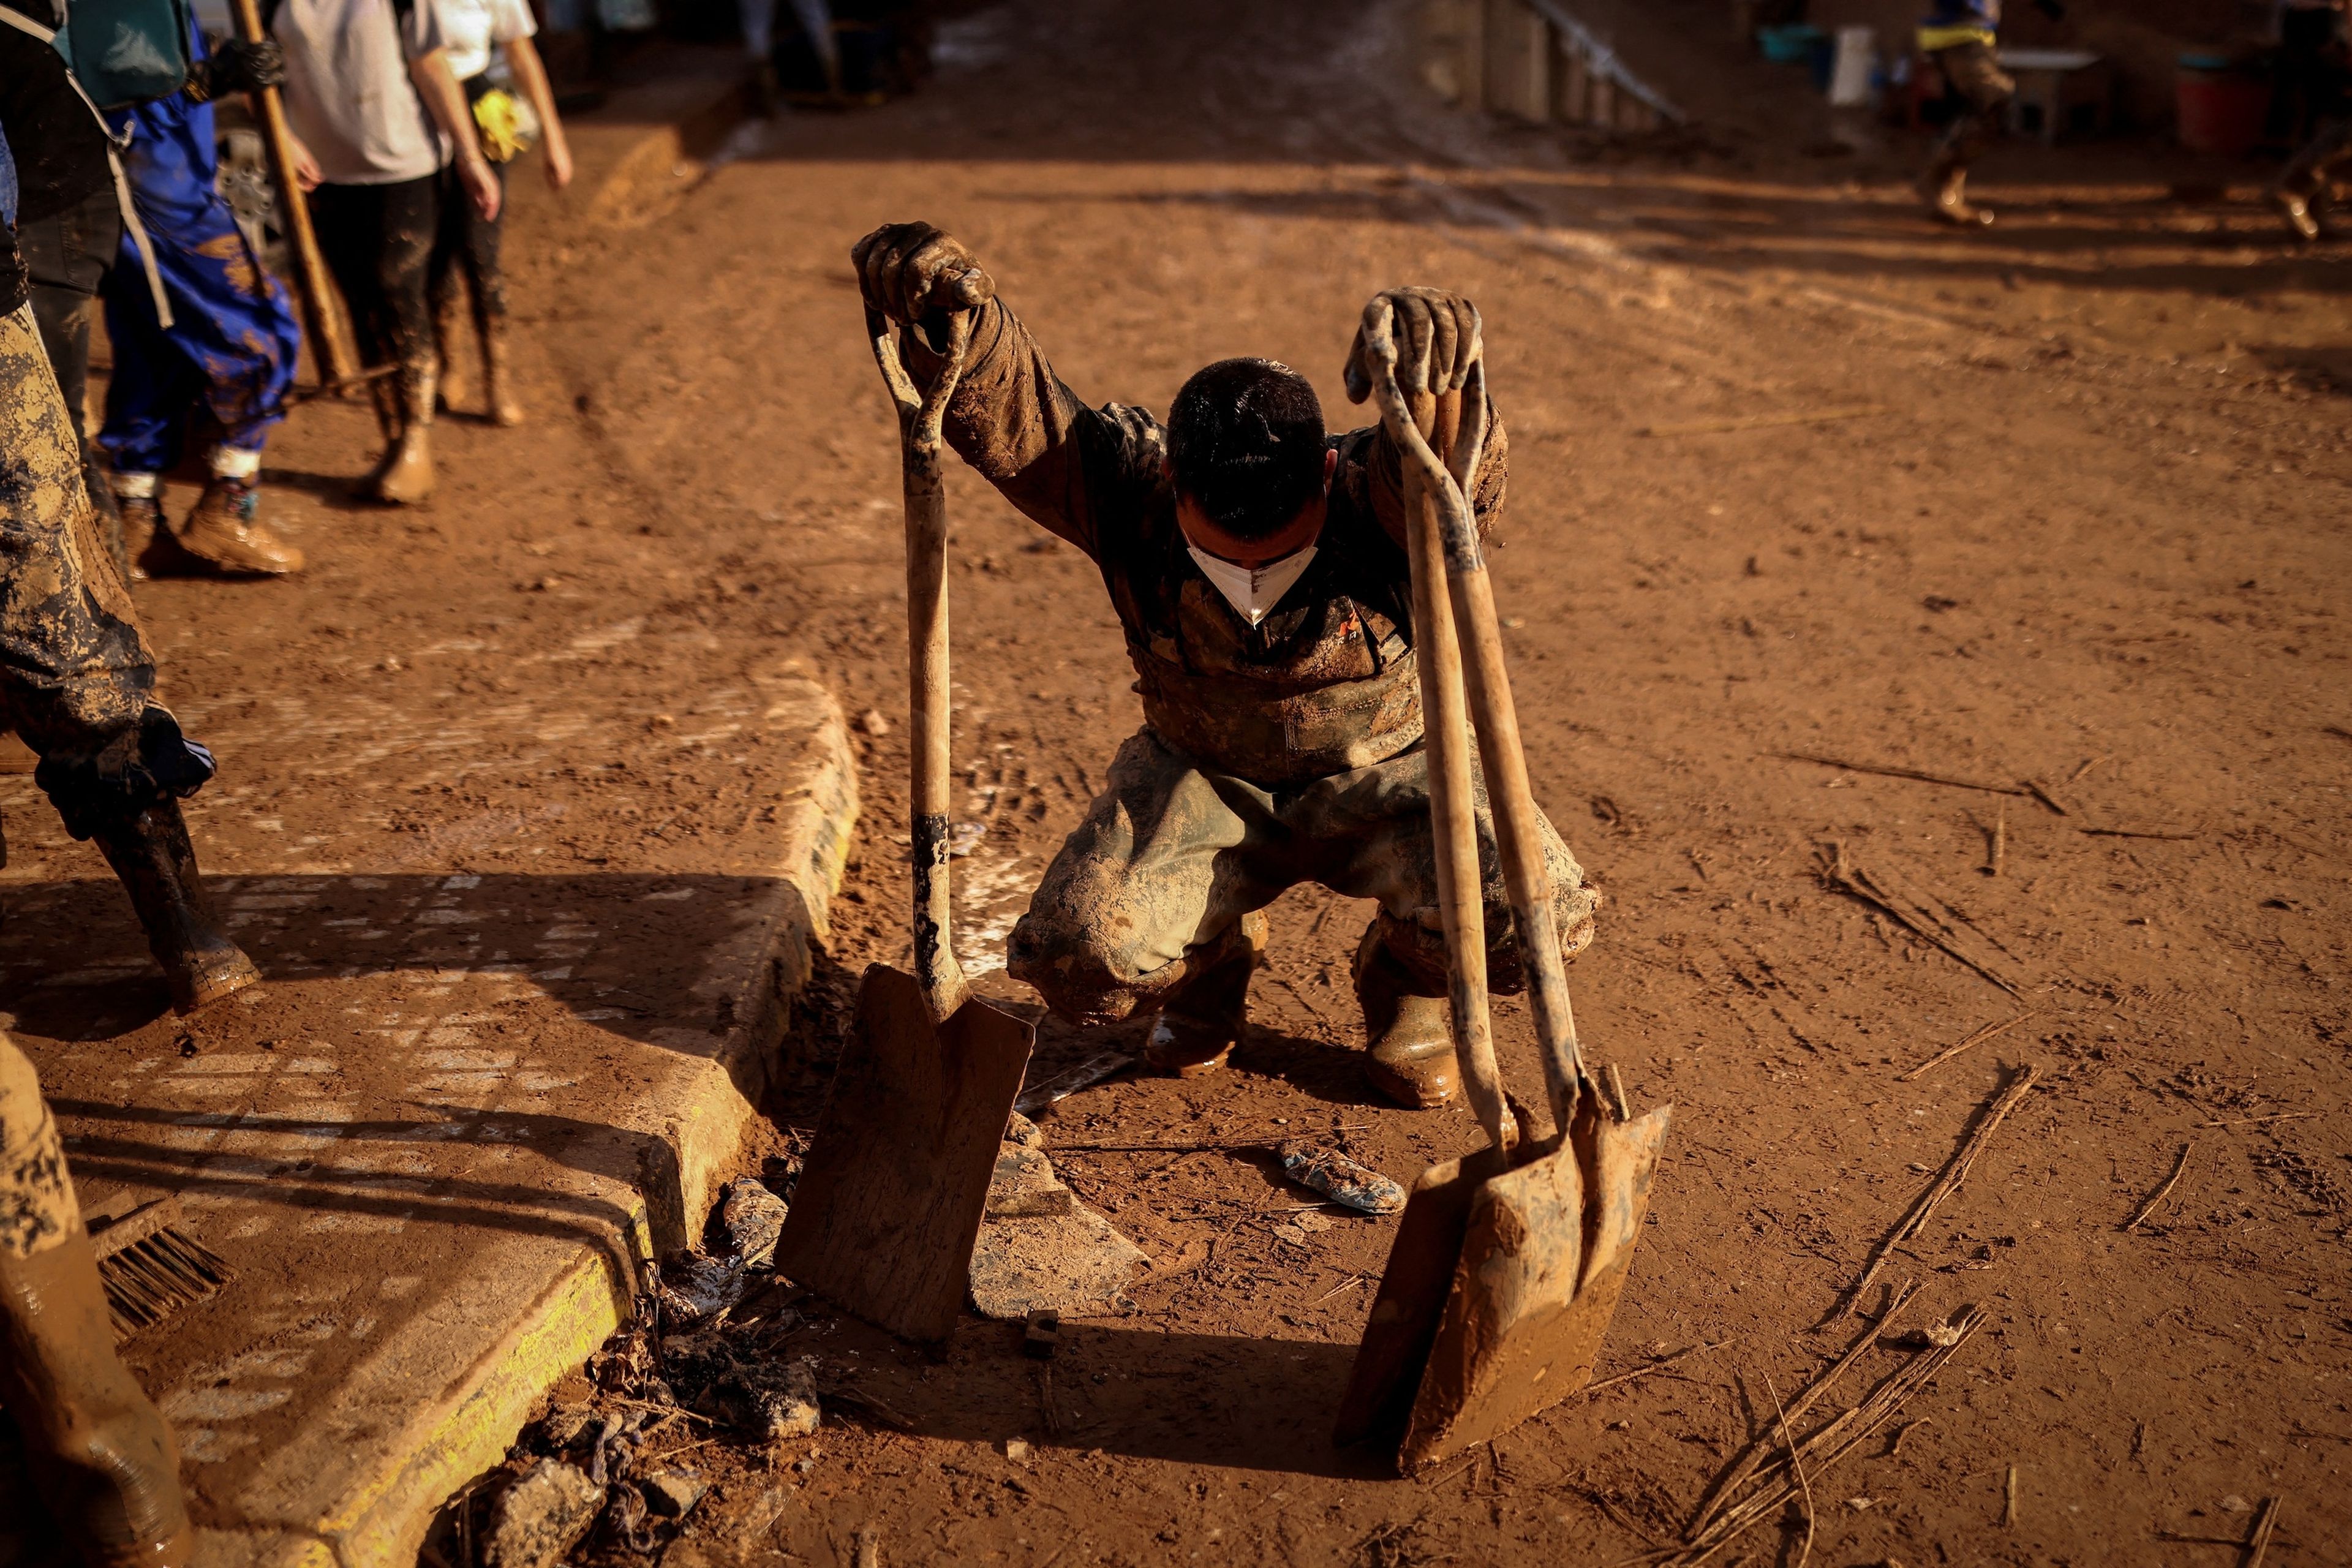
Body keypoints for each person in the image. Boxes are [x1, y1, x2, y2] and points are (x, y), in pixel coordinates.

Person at [850, 222, 1597, 1109]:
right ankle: (1211, 965)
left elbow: (1457, 469)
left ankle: (1410, 986)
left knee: (1534, 915)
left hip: (1394, 778)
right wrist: (954, 329)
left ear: (1328, 473)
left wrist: (1441, 389)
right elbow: (1026, 421)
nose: (1248, 569)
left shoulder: (1392, 493)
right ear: (1175, 482)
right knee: (1077, 953)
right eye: (1221, 545)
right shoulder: (1132, 492)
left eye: (1276, 547)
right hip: (1203, 785)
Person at [98, 16, 308, 578]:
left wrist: (225, 78)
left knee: (155, 350)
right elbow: (114, 91)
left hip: (164, 184)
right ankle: (227, 506)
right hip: (152, 194)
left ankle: (137, 519)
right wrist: (204, 82)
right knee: (264, 331)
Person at [272, 0, 501, 503]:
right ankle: (392, 440)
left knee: (400, 300)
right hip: (322, 175)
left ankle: (417, 444)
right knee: (360, 307)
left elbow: (432, 65)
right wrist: (283, 138)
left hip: (404, 167)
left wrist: (468, 156)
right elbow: (256, 76)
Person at [428, 0, 573, 428]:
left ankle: (498, 381)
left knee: (480, 250)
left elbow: (522, 55)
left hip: (477, 111)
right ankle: (449, 367)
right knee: (431, 251)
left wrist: (555, 139)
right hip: (416, 114)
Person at [1913, 0, 2064, 227]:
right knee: (1995, 104)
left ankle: (1945, 197)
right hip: (1959, 34)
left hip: (1971, 33)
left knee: (1966, 115)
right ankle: (1936, 180)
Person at [2269, 0, 2352, 240]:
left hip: (2302, 21)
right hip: (2325, 24)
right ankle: (2290, 190)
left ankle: (2314, 213)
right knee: (2337, 122)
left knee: (2317, 120)